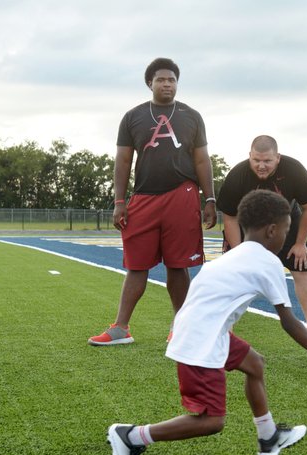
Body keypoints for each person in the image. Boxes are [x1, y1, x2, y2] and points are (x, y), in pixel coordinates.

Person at [107, 190, 307, 455]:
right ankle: (131, 436)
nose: (286, 238)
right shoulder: (268, 262)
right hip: (202, 339)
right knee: (211, 421)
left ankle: (268, 436)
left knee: (255, 364)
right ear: (272, 230)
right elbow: (288, 321)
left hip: (200, 329)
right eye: (287, 231)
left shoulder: (234, 254)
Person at [88, 57, 217, 346]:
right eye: (161, 79)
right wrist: (119, 201)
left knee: (177, 265)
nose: (167, 84)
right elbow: (122, 160)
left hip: (182, 195)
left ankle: (181, 327)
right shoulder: (133, 116)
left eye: (172, 80)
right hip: (144, 197)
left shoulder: (192, 116)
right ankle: (121, 328)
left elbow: (201, 159)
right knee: (136, 265)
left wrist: (209, 198)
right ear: (150, 83)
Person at [218, 135, 307, 346]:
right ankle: (225, 330)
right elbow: (230, 217)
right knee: (233, 273)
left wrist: (299, 243)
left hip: (285, 221)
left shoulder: (294, 170)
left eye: (267, 161)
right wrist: (239, 252)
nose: (261, 166)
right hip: (247, 224)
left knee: (301, 269)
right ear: (249, 156)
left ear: (277, 158)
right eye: (256, 160)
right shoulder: (238, 175)